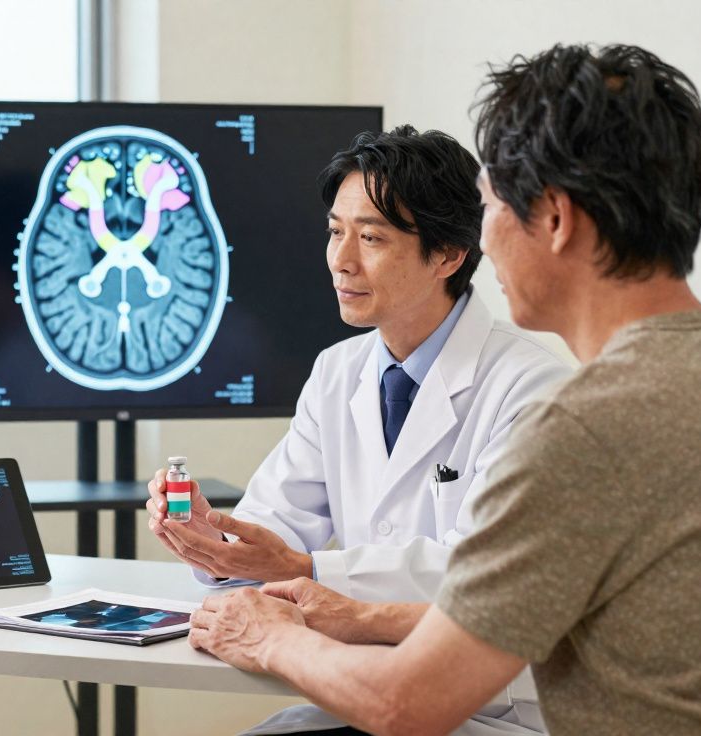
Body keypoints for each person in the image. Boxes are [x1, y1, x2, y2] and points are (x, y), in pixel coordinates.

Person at [185, 43, 701, 736]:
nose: (481, 237)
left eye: (489, 206)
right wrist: (358, 612)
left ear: (554, 218)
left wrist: (268, 635)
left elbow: (405, 704)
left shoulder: (583, 426)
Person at [147, 125, 569, 733]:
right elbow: (278, 528)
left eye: (370, 237)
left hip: (496, 713)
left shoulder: (532, 391)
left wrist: (311, 571)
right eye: (335, 232)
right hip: (363, 691)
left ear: (449, 254)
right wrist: (215, 538)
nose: (341, 262)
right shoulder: (338, 372)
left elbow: (484, 581)